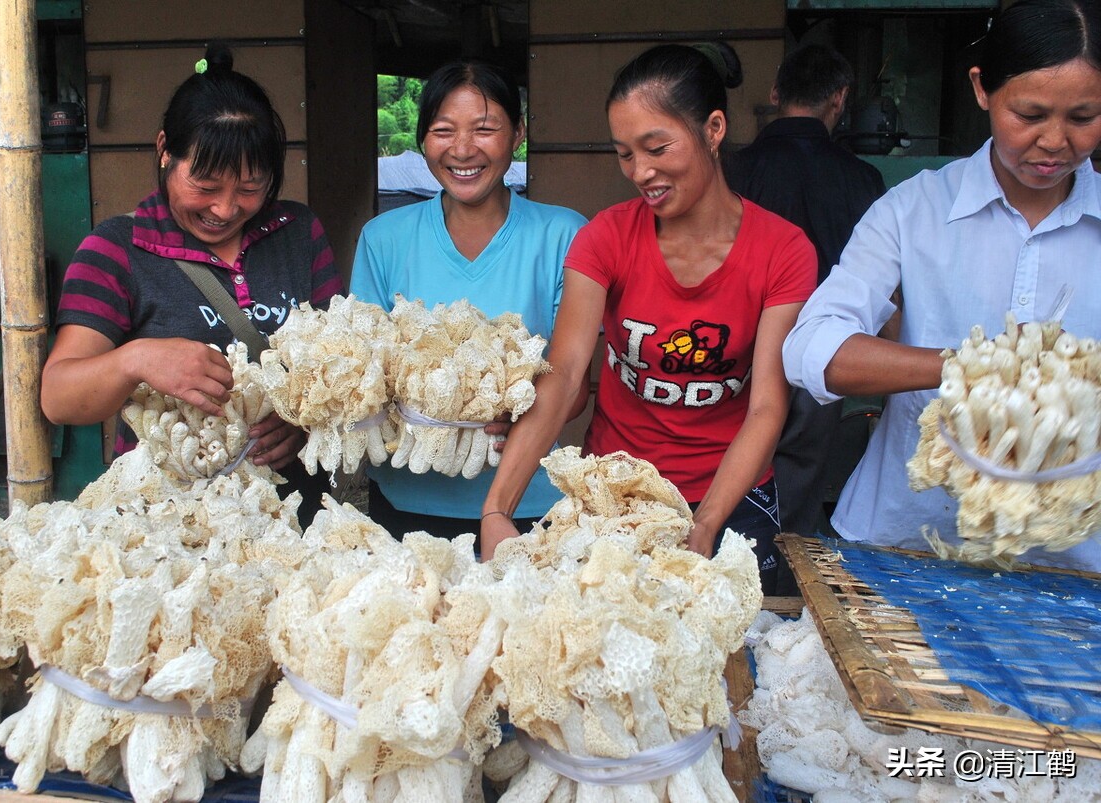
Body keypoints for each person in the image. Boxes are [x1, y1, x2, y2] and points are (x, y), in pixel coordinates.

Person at [481, 43, 818, 594]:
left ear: (713, 129)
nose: (641, 171)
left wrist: (706, 523)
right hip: (613, 492)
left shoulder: (783, 251)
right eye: (624, 154)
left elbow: (765, 407)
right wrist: (498, 509)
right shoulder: (606, 238)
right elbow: (564, 376)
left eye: (657, 147)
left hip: (732, 497)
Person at [782, 0, 1101, 571]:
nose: (1055, 141)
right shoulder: (914, 209)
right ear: (982, 89)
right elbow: (812, 350)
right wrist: (974, 366)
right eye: (1029, 115)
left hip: (1073, 562)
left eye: (1083, 118)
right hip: (905, 542)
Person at [42, 42, 342, 524]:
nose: (224, 209)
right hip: (164, 526)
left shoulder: (298, 233)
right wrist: (136, 358)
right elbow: (58, 397)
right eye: (204, 187)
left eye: (250, 188)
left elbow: (339, 369)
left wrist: (304, 423)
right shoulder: (117, 249)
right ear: (165, 151)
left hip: (291, 521)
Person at [350, 59, 589, 542]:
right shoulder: (383, 238)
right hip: (402, 500)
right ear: (422, 140)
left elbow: (577, 385)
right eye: (443, 130)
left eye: (485, 129)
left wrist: (521, 411)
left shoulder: (563, 235)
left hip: (529, 500)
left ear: (518, 134)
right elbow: (362, 373)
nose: (462, 150)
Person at [727, 44, 886, 542]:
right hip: (822, 357)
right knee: (797, 478)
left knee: (732, 461)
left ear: (775, 93)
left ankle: (720, 566)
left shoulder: (730, 171)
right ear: (838, 99)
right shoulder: (863, 179)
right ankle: (784, 587)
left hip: (733, 351)